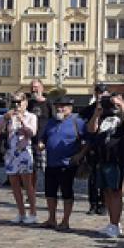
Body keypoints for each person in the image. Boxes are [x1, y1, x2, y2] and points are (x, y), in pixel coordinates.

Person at [87, 93, 124, 238]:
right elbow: (91, 129)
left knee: (115, 192)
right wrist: (97, 113)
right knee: (106, 192)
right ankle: (112, 223)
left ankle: (115, 225)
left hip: (116, 159)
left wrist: (122, 106)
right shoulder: (104, 116)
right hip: (102, 158)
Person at [37, 97, 86, 231]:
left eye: (63, 106)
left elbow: (87, 141)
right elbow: (43, 137)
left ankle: (65, 220)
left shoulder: (77, 122)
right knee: (50, 193)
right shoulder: (51, 122)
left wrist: (79, 155)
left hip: (67, 164)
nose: (59, 108)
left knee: (66, 193)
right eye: (57, 106)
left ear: (70, 108)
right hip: (51, 162)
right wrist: (41, 143)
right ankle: (52, 219)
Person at [0, 91, 38, 224]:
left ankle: (33, 212)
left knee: (28, 185)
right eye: (14, 102)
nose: (16, 105)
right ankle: (21, 213)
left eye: (19, 102)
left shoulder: (31, 116)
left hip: (24, 153)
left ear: (25, 102)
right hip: (11, 154)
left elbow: (32, 132)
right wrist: (5, 118)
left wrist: (22, 120)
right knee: (14, 185)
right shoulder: (9, 116)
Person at [80, 83, 111, 215]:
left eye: (103, 93)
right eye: (98, 92)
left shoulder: (112, 108)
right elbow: (83, 123)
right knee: (92, 177)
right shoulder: (90, 108)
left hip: (108, 146)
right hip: (93, 145)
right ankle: (93, 203)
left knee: (105, 175)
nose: (100, 95)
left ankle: (104, 204)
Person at [27, 79, 55, 191]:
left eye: (37, 87)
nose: (34, 89)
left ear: (42, 88)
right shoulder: (29, 103)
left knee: (46, 170)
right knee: (31, 171)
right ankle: (31, 194)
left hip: (43, 142)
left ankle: (51, 193)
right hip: (30, 142)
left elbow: (53, 123)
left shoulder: (48, 103)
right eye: (32, 87)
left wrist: (46, 140)